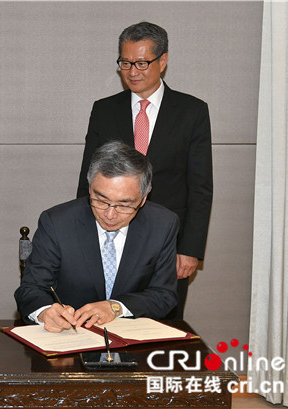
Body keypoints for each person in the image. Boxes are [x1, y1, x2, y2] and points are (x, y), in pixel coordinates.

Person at [76, 22, 213, 319]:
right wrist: (82, 239)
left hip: (168, 241)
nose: (132, 72)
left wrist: (190, 248)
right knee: (107, 318)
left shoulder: (192, 111)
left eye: (141, 63)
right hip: (110, 236)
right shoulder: (104, 110)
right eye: (125, 63)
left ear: (162, 61)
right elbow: (88, 179)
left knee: (163, 325)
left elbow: (201, 187)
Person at [16, 141, 178, 332]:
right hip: (71, 335)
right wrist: (45, 313)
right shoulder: (57, 223)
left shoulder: (162, 224)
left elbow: (164, 295)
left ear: (144, 197)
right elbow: (31, 289)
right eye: (101, 200)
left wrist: (115, 307)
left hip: (132, 338)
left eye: (124, 205)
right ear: (90, 187)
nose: (110, 214)